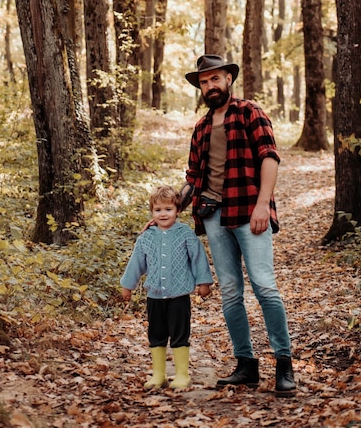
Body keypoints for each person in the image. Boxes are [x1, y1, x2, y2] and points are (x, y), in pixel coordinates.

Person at [180, 54, 296, 397]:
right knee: (230, 292)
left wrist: (263, 204)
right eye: (204, 81)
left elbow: (269, 157)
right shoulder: (201, 127)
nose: (210, 86)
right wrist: (170, 209)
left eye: (215, 79)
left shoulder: (250, 112)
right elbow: (192, 177)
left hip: (249, 210)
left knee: (264, 286)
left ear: (228, 79)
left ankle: (284, 364)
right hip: (213, 216)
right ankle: (246, 366)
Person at [120, 185, 213, 390]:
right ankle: (159, 375)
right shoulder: (146, 237)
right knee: (156, 334)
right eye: (158, 210)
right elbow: (137, 263)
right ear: (152, 212)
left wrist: (203, 282)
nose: (163, 214)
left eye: (168, 209)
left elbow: (198, 259)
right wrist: (128, 286)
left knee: (180, 334)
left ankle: (182, 375)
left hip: (179, 295)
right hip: (154, 295)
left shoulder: (185, 234)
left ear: (177, 210)